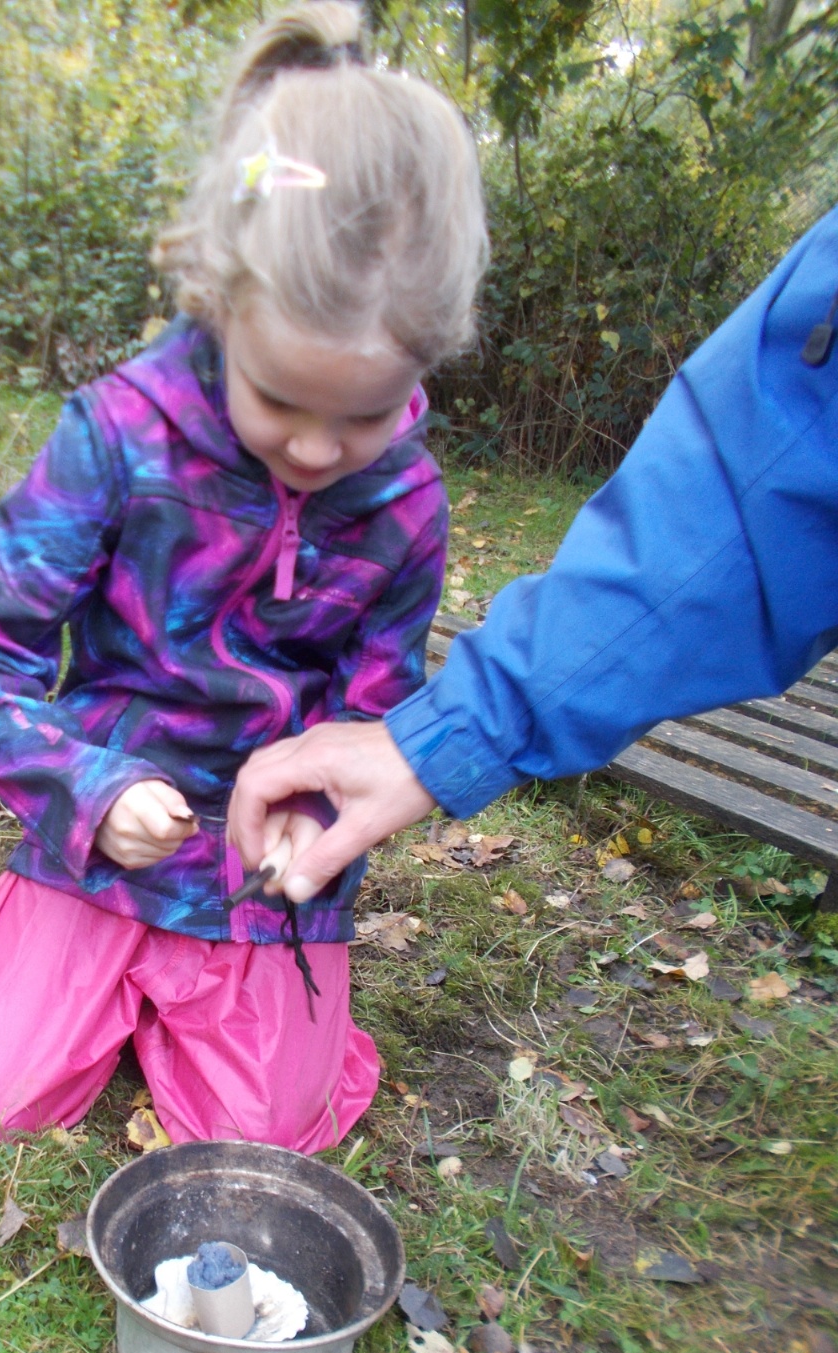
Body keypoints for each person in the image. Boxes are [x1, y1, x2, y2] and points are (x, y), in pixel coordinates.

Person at [0, 1, 487, 1152]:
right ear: (220, 306)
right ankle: (62, 964)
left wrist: (313, 826)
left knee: (268, 1134)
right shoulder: (119, 435)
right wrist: (88, 787)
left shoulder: (407, 505)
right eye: (280, 399)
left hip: (260, 875)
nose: (316, 449)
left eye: (365, 414)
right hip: (107, 829)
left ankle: (203, 1002)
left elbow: (373, 713)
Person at [229, 205, 838, 902]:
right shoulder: (148, 451)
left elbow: (759, 487)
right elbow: (759, 493)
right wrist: (452, 730)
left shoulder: (405, 500)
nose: (313, 447)